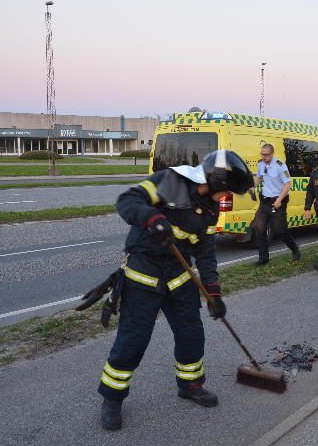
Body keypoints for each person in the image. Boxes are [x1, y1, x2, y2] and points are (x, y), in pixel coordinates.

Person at [96, 150, 254, 431]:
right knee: (133, 340)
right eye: (227, 191)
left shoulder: (209, 207)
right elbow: (127, 201)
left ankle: (190, 385)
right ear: (217, 182)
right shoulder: (170, 181)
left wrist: (214, 294)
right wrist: (151, 218)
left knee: (191, 334)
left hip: (179, 278)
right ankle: (112, 398)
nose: (227, 197)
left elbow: (205, 253)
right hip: (143, 274)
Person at [252, 143, 300, 266]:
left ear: (272, 154)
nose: (264, 157)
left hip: (277, 201)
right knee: (259, 228)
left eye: (266, 155)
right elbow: (259, 177)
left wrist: (279, 200)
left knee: (280, 231)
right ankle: (263, 258)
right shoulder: (261, 164)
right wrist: (253, 186)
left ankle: (295, 249)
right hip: (264, 201)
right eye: (262, 154)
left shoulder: (280, 165)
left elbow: (288, 184)